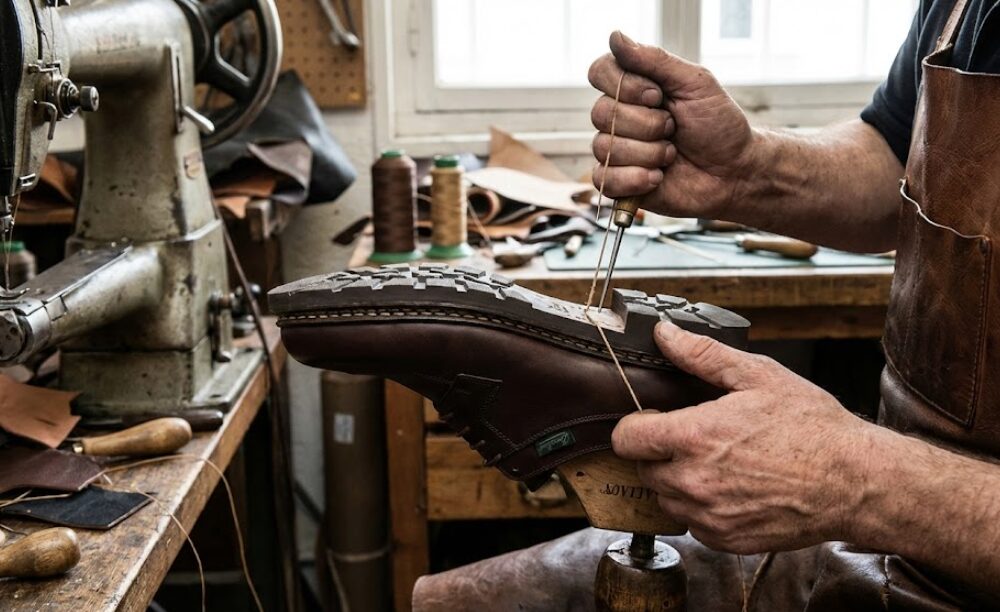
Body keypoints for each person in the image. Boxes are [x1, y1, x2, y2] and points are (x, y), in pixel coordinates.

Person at [413, 1, 1000, 609]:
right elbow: (899, 160)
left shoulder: (866, 487)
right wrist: (748, 168)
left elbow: (869, 485)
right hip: (892, 542)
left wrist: (857, 480)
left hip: (930, 533)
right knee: (451, 601)